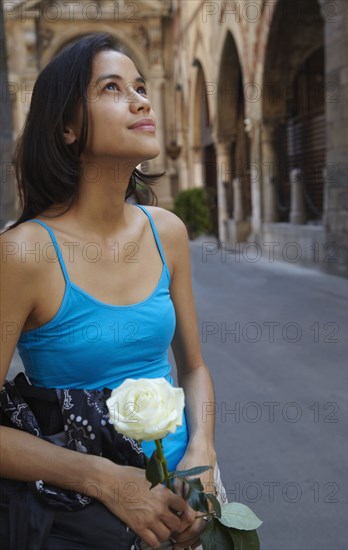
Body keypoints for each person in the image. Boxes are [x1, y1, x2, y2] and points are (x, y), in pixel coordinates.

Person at [0, 33, 227, 549]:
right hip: (88, 519)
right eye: (112, 87)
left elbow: (192, 367)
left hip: (186, 505)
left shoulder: (166, 230)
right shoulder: (25, 252)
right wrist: (106, 480)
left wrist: (202, 455)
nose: (141, 99)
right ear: (66, 128)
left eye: (140, 86)